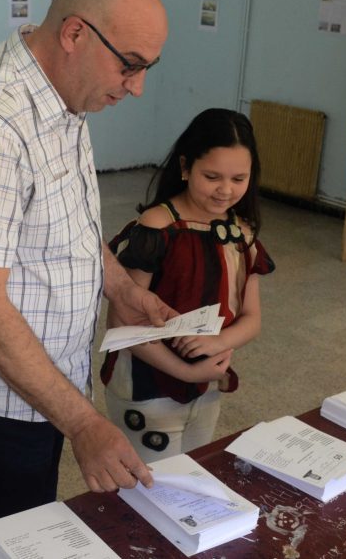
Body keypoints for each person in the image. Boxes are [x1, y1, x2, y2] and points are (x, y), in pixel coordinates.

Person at [0, 0, 172, 541]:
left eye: (148, 68)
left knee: (33, 525)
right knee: (8, 539)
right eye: (130, 66)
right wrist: (83, 423)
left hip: (43, 383)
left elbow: (69, 220)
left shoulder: (64, 93)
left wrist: (122, 288)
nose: (137, 87)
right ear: (75, 33)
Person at [100, 108, 274, 462]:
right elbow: (123, 323)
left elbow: (252, 318)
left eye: (239, 178)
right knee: (150, 488)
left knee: (192, 476)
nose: (225, 190)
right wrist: (185, 369)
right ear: (185, 167)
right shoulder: (157, 228)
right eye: (212, 176)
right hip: (147, 386)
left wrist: (217, 343)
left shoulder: (242, 232)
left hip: (207, 384)